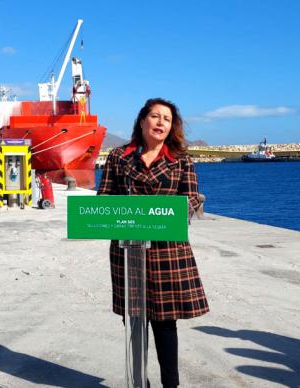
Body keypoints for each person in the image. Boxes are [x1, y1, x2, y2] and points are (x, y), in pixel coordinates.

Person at [97, 98, 209, 387]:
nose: (161, 123)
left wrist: (179, 210)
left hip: (167, 250)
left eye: (167, 119)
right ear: (143, 120)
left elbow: (192, 200)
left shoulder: (182, 159)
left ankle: (171, 385)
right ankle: (139, 381)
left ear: (172, 127)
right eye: (155, 116)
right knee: (133, 321)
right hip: (127, 249)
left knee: (164, 322)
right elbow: (104, 200)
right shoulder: (118, 157)